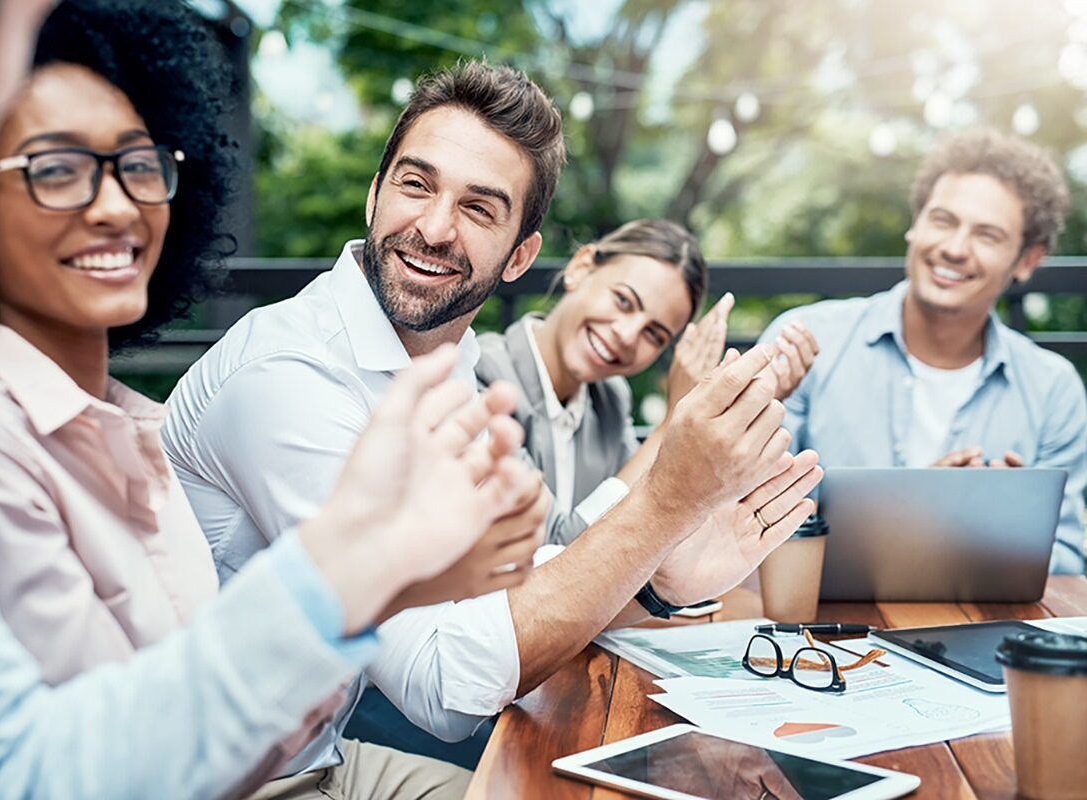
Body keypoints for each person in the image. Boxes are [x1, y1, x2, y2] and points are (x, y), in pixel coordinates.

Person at [0, 1, 539, 796]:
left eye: (140, 167)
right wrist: (356, 573)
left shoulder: (134, 424)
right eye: (55, 170)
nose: (115, 206)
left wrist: (372, 576)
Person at [163, 59, 824, 798]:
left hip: (322, 753)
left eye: (479, 209)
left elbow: (524, 573)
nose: (435, 228)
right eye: (417, 185)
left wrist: (662, 584)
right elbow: (443, 687)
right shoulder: (289, 376)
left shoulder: (450, 359)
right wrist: (664, 504)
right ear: (375, 193)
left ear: (520, 256)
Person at [760, 128, 1086, 574]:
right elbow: (747, 522)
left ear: (1028, 260)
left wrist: (1003, 528)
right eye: (943, 220)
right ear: (916, 223)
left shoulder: (1053, 388)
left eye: (987, 235)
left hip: (978, 631)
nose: (953, 249)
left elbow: (1069, 561)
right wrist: (922, 519)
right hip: (820, 634)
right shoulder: (807, 341)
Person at [476, 218, 736, 544]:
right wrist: (672, 424)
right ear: (581, 268)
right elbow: (557, 554)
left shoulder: (609, 399)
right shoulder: (482, 376)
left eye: (653, 335)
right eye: (624, 301)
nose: (627, 336)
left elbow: (640, 523)